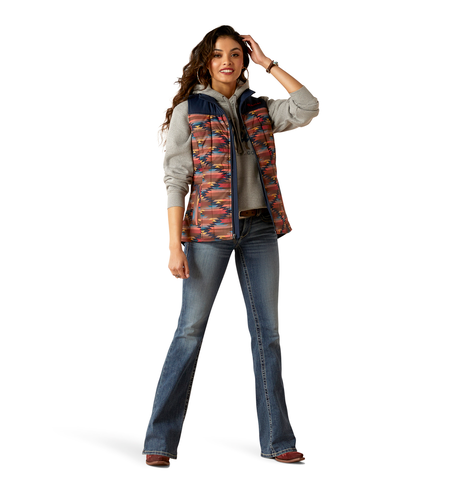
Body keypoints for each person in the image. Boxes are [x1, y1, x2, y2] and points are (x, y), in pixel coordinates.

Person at [143, 25, 319, 467]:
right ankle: (159, 441)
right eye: (219, 54)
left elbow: (307, 106)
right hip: (207, 234)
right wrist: (174, 245)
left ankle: (277, 440)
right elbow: (176, 179)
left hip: (260, 230)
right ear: (206, 61)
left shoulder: (259, 108)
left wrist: (268, 63)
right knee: (189, 330)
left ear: (244, 61)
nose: (228, 61)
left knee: (267, 334)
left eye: (236, 54)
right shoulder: (190, 111)